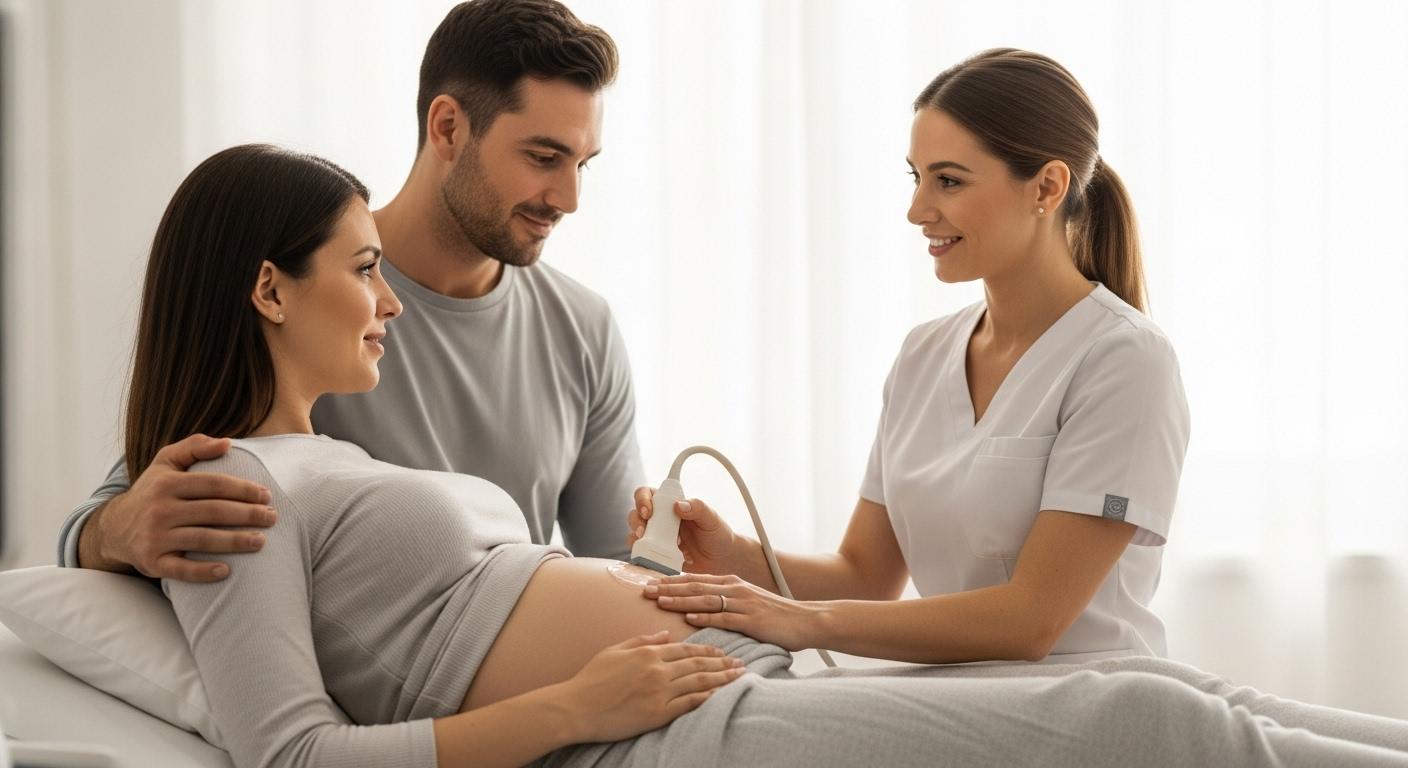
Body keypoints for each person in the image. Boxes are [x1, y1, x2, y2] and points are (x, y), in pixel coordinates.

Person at [138, 142, 1408, 768]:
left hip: (742, 675)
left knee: (1189, 706)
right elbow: (288, 755)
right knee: (1132, 718)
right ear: (265, 289)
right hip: (668, 728)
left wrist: (726, 580)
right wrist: (577, 707)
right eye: (364, 272)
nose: (392, 299)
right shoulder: (222, 492)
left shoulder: (330, 464)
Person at [630, 47, 1189, 665]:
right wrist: (732, 554)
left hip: (1093, 705)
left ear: (1047, 188)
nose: (917, 210)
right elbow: (865, 576)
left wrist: (801, 620)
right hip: (960, 705)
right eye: (915, 177)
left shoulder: (1125, 361)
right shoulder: (924, 355)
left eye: (948, 180)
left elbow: (1032, 620)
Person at [58, 0, 643, 582]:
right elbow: (133, 507)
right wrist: (112, 530)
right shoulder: (313, 297)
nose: (568, 200)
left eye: (582, 164)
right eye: (544, 157)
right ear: (448, 128)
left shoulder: (584, 328)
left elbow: (619, 568)